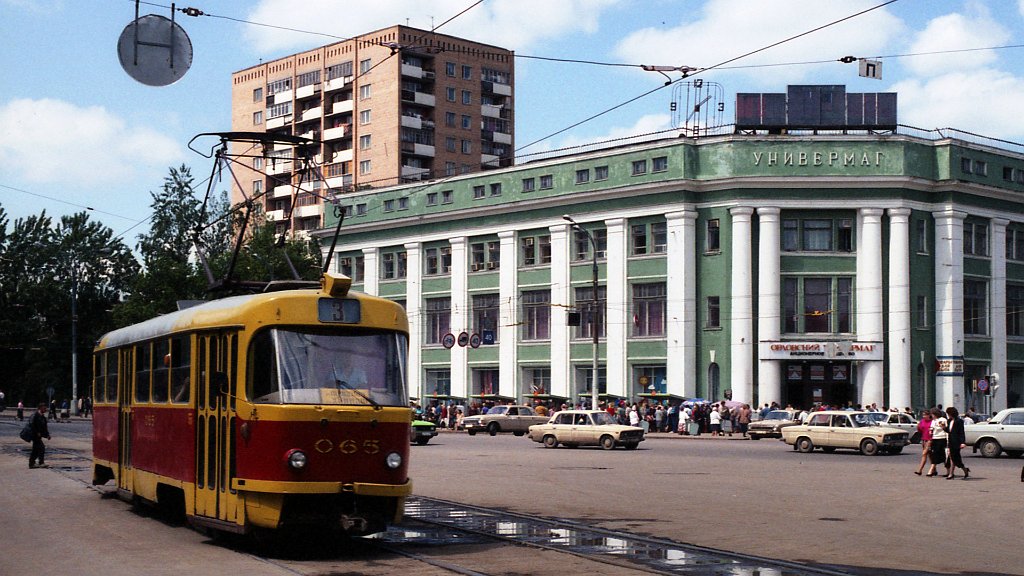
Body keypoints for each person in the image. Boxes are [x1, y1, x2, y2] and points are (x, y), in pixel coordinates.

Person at [945, 406, 970, 480]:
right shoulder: (949, 421)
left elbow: (961, 432)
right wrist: (944, 428)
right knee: (952, 457)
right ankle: (956, 472)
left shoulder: (959, 421)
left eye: (948, 413)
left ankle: (957, 471)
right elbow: (949, 431)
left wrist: (962, 442)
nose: (948, 415)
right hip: (950, 441)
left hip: (957, 442)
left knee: (955, 457)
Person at [926, 407, 948, 477]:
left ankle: (932, 470)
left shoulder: (943, 419)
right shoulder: (933, 421)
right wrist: (930, 431)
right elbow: (932, 428)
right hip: (935, 438)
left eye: (932, 414)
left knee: (942, 455)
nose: (931, 415)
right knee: (935, 454)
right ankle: (932, 469)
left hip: (942, 438)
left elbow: (945, 429)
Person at [28, 403, 51, 469]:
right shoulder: (35, 415)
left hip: (38, 436)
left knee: (35, 450)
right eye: (44, 408)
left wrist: (47, 435)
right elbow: (32, 424)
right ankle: (41, 463)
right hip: (34, 435)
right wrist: (37, 432)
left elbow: (44, 428)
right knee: (41, 448)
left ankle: (32, 463)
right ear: (40, 408)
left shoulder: (43, 417)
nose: (45, 409)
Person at [914, 409, 934, 476]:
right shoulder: (922, 421)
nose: (924, 416)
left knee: (924, 454)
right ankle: (934, 469)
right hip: (924, 439)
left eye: (925, 415)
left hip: (930, 439)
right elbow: (920, 429)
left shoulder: (932, 422)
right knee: (929, 455)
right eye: (923, 415)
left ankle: (920, 470)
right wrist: (918, 426)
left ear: (929, 415)